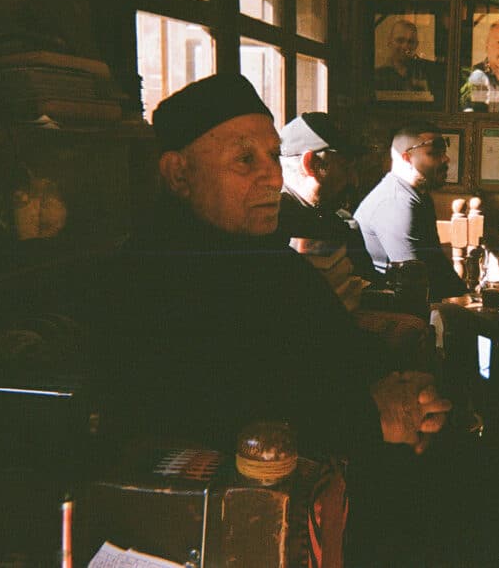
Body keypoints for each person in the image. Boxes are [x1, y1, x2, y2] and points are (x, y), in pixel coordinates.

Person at [104, 73, 451, 462]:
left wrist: (408, 392)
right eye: (245, 159)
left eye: (272, 155)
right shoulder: (155, 276)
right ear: (179, 174)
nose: (272, 176)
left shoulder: (264, 252)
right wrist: (372, 417)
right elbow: (219, 414)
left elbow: (340, 344)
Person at [355, 121, 468, 302]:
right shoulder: (396, 203)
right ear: (407, 158)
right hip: (387, 308)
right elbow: (415, 282)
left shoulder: (419, 196)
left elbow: (436, 262)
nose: (446, 159)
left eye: (444, 152)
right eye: (435, 152)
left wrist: (467, 295)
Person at [278, 111, 379, 304]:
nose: (354, 181)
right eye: (345, 167)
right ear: (311, 165)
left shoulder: (338, 220)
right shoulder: (273, 226)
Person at [373, 18, 437, 96]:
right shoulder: (377, 75)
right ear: (389, 42)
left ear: (416, 45)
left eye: (410, 42)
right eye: (400, 40)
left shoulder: (428, 73)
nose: (405, 46)